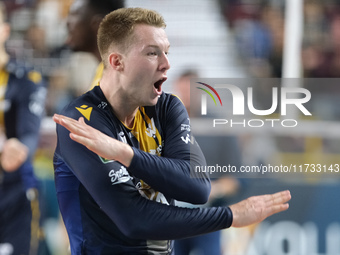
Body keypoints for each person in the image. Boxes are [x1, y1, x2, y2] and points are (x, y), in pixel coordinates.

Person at [53, 7, 291, 254]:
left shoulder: (167, 107)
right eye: (152, 53)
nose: (167, 64)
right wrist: (228, 216)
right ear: (117, 62)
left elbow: (198, 188)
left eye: (166, 52)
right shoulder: (81, 119)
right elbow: (133, 220)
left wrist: (126, 154)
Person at [0, 3, 47, 255]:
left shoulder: (26, 78)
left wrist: (18, 148)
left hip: (14, 191)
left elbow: (30, 133)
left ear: (5, 30)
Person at [66, 0, 125, 90]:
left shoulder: (119, 79)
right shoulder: (103, 70)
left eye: (75, 14)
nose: (67, 22)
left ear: (99, 25)